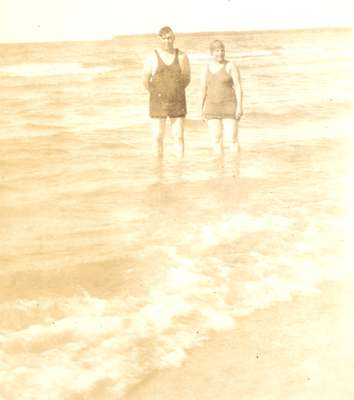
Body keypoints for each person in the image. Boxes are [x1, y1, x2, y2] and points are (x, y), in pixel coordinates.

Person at [142, 26, 191, 158]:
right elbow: (145, 80)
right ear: (159, 38)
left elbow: (187, 79)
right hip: (158, 102)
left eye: (169, 38)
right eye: (164, 38)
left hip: (177, 101)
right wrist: (157, 93)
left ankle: (179, 170)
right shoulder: (152, 57)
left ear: (174, 38)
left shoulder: (181, 56)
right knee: (158, 137)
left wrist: (174, 91)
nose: (167, 41)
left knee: (179, 137)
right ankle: (159, 170)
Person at [200, 40, 243, 154]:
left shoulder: (230, 65)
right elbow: (203, 89)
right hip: (211, 108)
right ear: (211, 53)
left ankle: (235, 169)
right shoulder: (206, 67)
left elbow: (238, 86)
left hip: (229, 107)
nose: (220, 53)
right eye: (217, 51)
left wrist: (239, 107)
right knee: (216, 141)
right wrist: (201, 109)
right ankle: (219, 170)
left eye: (222, 50)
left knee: (232, 140)